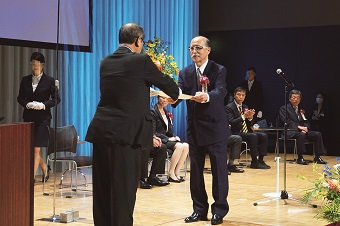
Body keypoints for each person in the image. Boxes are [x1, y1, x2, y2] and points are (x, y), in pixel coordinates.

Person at [85, 23, 179, 226]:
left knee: (102, 188)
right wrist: (176, 94)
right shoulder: (141, 60)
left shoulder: (105, 62)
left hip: (102, 130)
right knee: (123, 189)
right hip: (127, 135)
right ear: (137, 40)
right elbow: (167, 84)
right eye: (142, 42)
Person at [172, 36, 230, 225]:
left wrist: (206, 96)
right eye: (191, 49)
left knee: (218, 172)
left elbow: (221, 91)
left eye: (198, 48)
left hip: (215, 128)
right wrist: (172, 98)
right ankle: (199, 210)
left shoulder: (218, 69)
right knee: (195, 172)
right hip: (195, 129)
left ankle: (219, 210)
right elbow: (180, 92)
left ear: (208, 50)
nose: (194, 52)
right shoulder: (185, 72)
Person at [17, 52, 61, 183]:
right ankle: (44, 167)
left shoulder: (50, 80)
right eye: (33, 65)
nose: (35, 67)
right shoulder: (25, 80)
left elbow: (56, 99)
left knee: (36, 148)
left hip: (43, 118)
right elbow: (19, 98)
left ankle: (31, 179)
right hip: (29, 117)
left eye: (37, 65)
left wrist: (43, 105)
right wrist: (27, 104)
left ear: (43, 65)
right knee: (30, 148)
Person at [225, 87, 270, 169]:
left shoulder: (245, 106)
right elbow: (231, 122)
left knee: (263, 135)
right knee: (253, 136)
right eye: (238, 95)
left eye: (243, 95)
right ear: (234, 95)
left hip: (246, 131)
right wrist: (243, 117)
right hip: (235, 131)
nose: (240, 97)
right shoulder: (229, 107)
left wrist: (250, 118)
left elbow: (249, 124)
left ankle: (260, 159)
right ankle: (254, 161)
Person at [279, 89, 326, 165]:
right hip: (290, 131)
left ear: (300, 99)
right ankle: (300, 157)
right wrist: (299, 127)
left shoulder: (301, 109)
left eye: (298, 98)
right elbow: (286, 121)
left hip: (301, 131)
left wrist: (306, 128)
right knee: (301, 135)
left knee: (317, 134)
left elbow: (306, 121)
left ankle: (317, 157)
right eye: (294, 97)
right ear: (289, 98)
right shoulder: (284, 108)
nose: (296, 99)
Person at [151, 95, 189, 183]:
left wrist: (174, 136)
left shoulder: (166, 112)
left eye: (166, 98)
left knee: (186, 145)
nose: (165, 100)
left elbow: (168, 130)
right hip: (160, 140)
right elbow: (153, 132)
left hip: (167, 139)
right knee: (179, 146)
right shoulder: (153, 112)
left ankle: (176, 172)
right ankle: (171, 173)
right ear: (157, 98)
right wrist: (168, 139)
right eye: (162, 98)